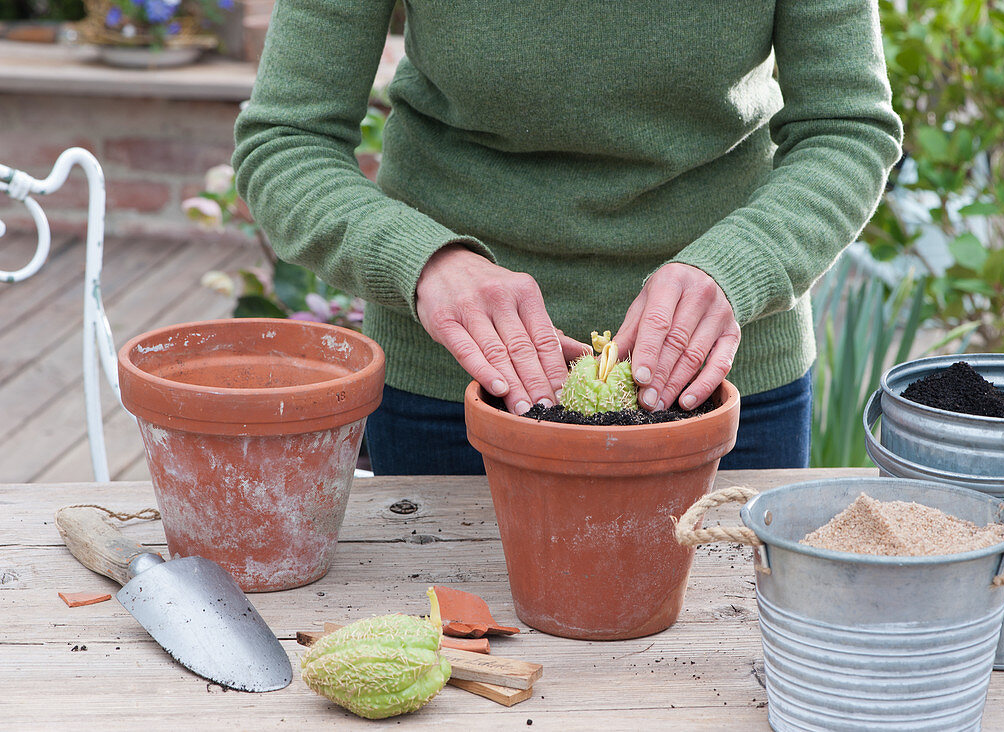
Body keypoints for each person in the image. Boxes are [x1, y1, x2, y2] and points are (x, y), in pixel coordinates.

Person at [232, 0, 903, 475]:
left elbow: (846, 128)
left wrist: (741, 265)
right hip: (453, 385)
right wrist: (423, 263)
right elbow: (288, 141)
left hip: (721, 382)